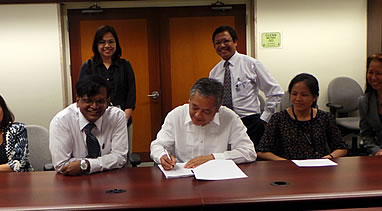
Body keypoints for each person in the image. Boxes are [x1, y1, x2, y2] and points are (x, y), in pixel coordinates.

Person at [150, 78, 256, 170]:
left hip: (218, 178)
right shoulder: (176, 115)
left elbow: (249, 152)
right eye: (194, 107)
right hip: (182, 175)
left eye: (206, 111)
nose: (198, 115)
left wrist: (213, 158)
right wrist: (162, 156)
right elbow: (158, 145)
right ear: (189, 101)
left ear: (217, 109)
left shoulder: (229, 118)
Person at [209, 25, 283, 147]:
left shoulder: (251, 64)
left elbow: (275, 92)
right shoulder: (214, 72)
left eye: (226, 41)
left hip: (250, 123)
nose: (222, 45)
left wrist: (264, 119)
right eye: (217, 43)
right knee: (229, 158)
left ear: (235, 42)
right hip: (224, 123)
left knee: (253, 161)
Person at [256, 73, 348, 160]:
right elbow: (262, 151)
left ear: (314, 97)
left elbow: (341, 148)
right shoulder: (278, 118)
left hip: (318, 168)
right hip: (288, 169)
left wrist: (328, 157)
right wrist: (285, 162)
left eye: (304, 95)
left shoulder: (325, 118)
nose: (298, 99)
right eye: (294, 94)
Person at [50, 75, 128, 176]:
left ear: (108, 102)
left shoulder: (117, 116)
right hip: (74, 181)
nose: (94, 106)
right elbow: (61, 164)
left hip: (110, 178)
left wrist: (86, 165)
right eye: (88, 101)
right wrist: (106, 161)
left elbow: (120, 157)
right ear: (78, 101)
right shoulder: (61, 121)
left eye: (100, 101)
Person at [79, 25, 136, 156]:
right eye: (102, 42)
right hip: (94, 120)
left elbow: (131, 96)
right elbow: (82, 95)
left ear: (116, 44)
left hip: (123, 119)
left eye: (111, 41)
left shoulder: (125, 66)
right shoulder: (88, 67)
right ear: (96, 45)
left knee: (121, 157)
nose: (107, 45)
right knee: (97, 157)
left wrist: (122, 119)